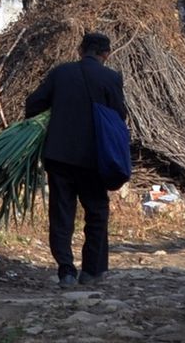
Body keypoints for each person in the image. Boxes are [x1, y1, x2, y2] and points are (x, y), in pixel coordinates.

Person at [24, 31, 128, 288]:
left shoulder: (61, 73)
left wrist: (49, 119)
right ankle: (92, 270)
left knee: (61, 214)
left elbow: (33, 103)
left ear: (80, 50)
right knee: (96, 212)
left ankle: (66, 271)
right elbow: (119, 115)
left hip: (59, 156)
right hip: (93, 159)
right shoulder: (111, 78)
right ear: (107, 54)